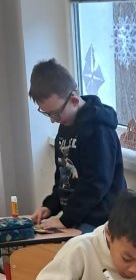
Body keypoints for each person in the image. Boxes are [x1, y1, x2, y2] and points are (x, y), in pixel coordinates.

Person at [29, 58, 126, 232]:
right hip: (77, 217)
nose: (53, 120)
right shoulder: (66, 124)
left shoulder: (98, 129)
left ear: (74, 100)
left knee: (67, 249)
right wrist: (50, 206)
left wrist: (65, 220)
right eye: (47, 114)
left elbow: (95, 184)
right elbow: (63, 178)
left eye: (56, 113)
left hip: (102, 222)